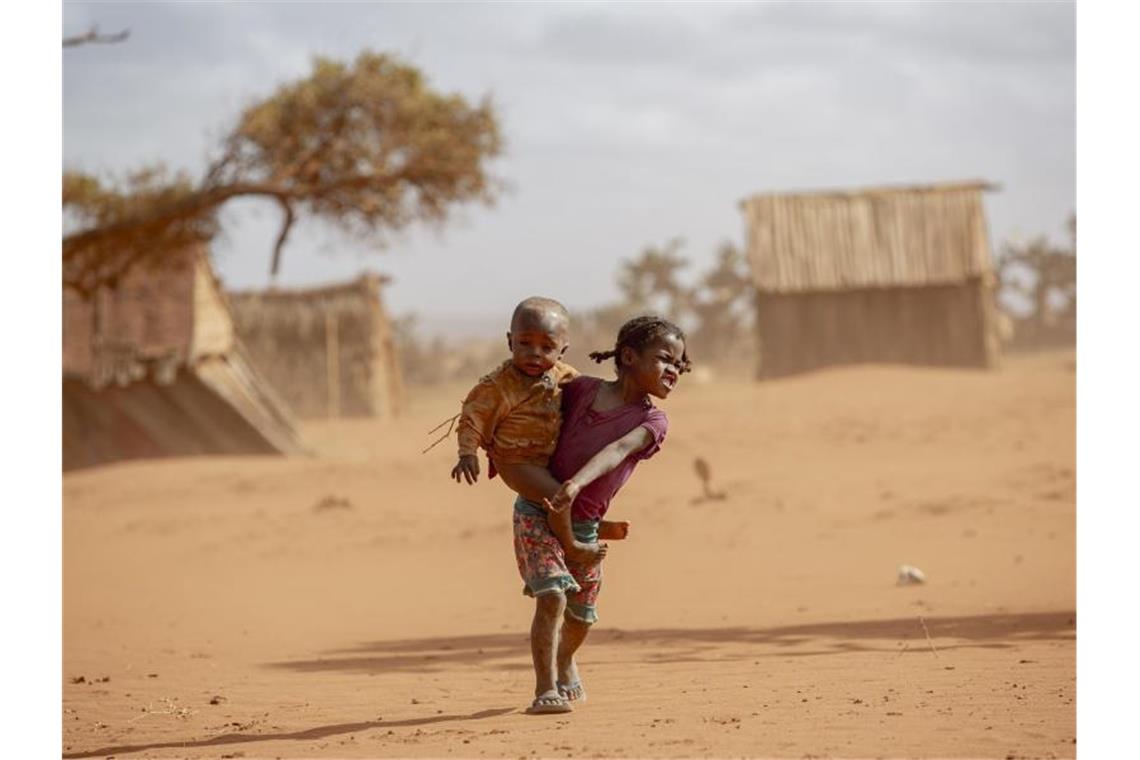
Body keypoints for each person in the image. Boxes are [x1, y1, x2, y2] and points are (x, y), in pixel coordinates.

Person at [502, 315, 691, 714]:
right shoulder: (580, 389)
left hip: (583, 524)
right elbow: (524, 389)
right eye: (664, 359)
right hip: (538, 510)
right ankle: (545, 689)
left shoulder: (652, 421)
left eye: (679, 363)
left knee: (582, 615)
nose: (674, 370)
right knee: (552, 594)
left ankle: (566, 659)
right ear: (628, 355)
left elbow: (617, 450)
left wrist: (575, 485)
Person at [449, 297, 625, 562]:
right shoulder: (498, 385)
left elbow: (591, 392)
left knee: (576, 485)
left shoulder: (563, 375)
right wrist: (467, 453)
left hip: (547, 457)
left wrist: (624, 392)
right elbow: (473, 417)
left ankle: (584, 523)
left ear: (562, 350)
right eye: (525, 343)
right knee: (558, 496)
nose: (535, 353)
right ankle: (573, 544)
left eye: (547, 347)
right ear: (510, 341)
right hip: (515, 460)